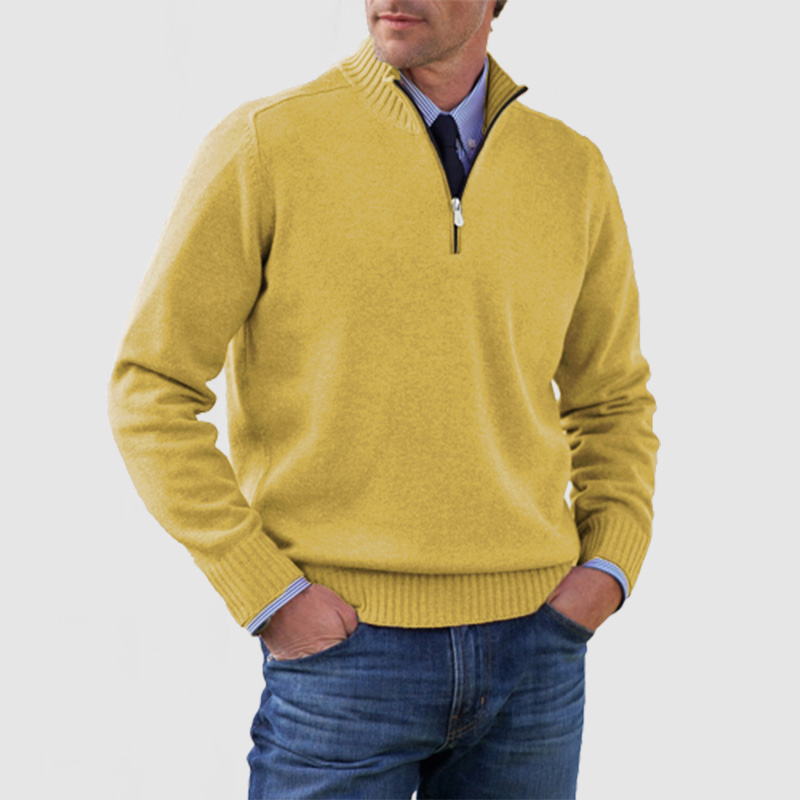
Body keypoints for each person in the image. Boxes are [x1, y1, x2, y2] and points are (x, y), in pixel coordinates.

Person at [108, 1, 659, 797]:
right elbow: (151, 387)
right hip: (344, 655)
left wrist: (609, 564)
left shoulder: (571, 168)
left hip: (535, 654)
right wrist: (266, 591)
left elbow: (611, 398)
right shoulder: (266, 143)